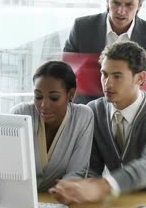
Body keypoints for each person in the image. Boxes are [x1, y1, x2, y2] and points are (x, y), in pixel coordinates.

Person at [49, 41, 146, 205]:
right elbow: (92, 167)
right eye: (104, 74)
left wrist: (102, 187)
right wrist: (78, 187)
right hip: (121, 201)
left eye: (117, 76)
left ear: (140, 78)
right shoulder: (94, 111)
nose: (107, 83)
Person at [63, 0, 146, 104]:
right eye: (116, 3)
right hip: (85, 113)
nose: (121, 11)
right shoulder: (81, 28)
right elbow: (64, 76)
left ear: (139, 5)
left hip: (131, 116)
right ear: (107, 1)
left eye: (129, 5)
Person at [10, 61, 94, 192]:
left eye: (54, 98)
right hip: (20, 197)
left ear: (71, 94)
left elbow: (78, 171)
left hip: (59, 199)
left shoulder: (83, 116)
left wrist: (59, 195)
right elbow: (9, 167)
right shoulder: (20, 114)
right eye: (38, 96)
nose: (44, 105)